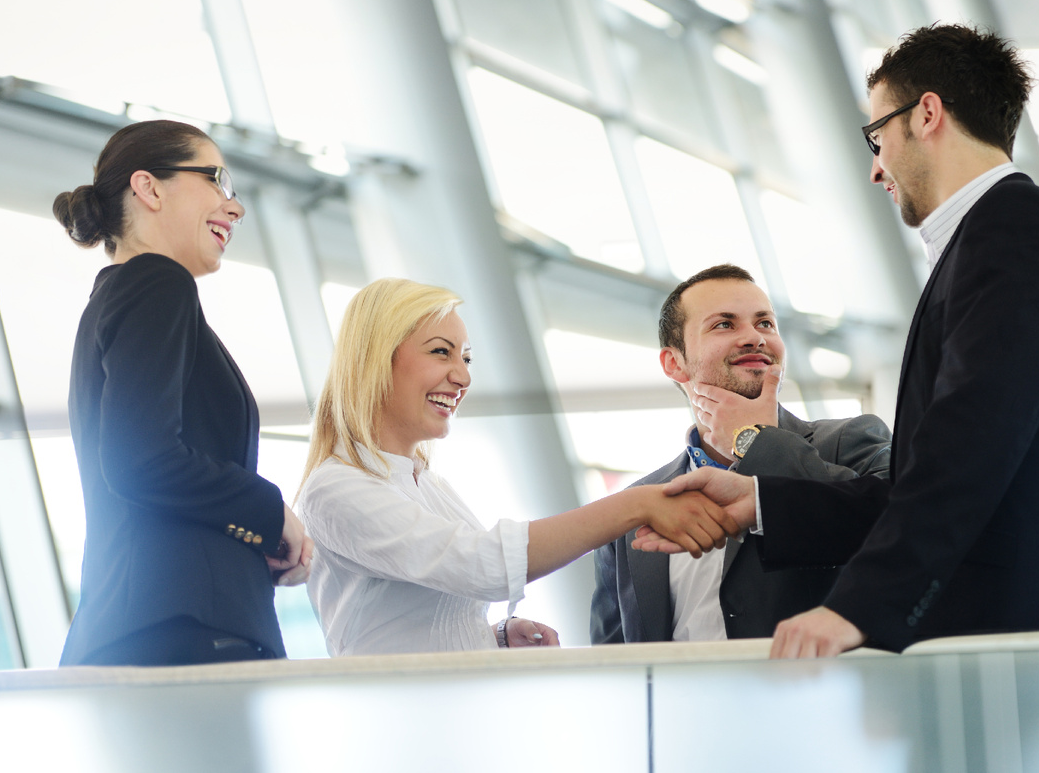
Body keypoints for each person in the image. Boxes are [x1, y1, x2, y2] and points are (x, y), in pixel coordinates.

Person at [635, 24, 1039, 657]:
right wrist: (763, 501)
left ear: (927, 113)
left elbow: (970, 446)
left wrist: (856, 608)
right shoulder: (987, 242)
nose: (876, 168)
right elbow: (926, 480)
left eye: (877, 135)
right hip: (1023, 637)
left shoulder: (1017, 229)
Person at [294, 277, 741, 655]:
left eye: (465, 358)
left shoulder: (427, 484)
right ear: (377, 358)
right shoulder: (335, 488)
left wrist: (492, 638)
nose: (463, 376)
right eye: (441, 352)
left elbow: (407, 627)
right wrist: (634, 506)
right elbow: (482, 565)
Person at [53, 120, 312, 666]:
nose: (234, 206)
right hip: (183, 633)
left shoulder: (118, 296)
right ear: (148, 188)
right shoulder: (156, 281)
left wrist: (241, 538)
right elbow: (141, 461)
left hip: (150, 627)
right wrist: (270, 513)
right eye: (218, 180)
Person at [591, 264, 891, 644]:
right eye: (724, 325)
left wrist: (754, 439)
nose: (754, 338)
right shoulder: (631, 510)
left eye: (765, 323)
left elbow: (905, 529)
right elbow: (614, 660)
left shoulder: (851, 442)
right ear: (674, 363)